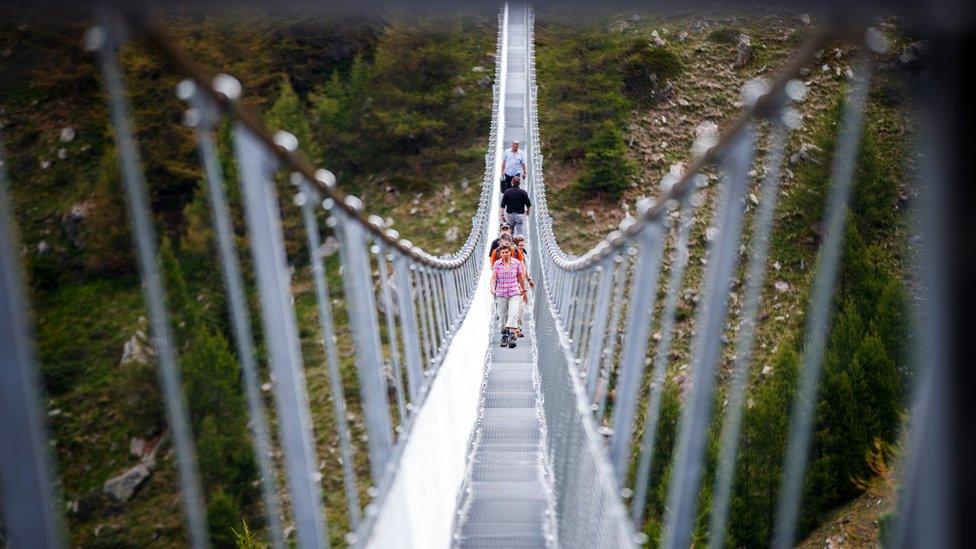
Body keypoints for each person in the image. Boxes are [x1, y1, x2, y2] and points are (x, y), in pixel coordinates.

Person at [489, 245, 527, 348]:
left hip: (514, 292)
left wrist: (524, 291)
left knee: (513, 313)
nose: (505, 254)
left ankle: (511, 336)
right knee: (502, 316)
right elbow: (493, 278)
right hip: (501, 293)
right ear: (500, 253)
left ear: (510, 252)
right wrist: (492, 288)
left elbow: (520, 277)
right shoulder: (497, 264)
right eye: (503, 253)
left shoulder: (516, 263)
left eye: (507, 252)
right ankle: (504, 335)